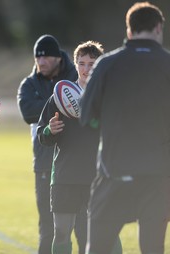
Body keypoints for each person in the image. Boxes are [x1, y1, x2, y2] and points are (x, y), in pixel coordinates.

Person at [80, 2, 170, 253]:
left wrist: (108, 124)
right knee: (153, 248)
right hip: (158, 178)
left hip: (114, 173)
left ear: (129, 31)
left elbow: (87, 117)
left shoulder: (107, 65)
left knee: (97, 248)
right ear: (158, 28)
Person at [37, 41, 124, 254]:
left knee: (108, 230)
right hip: (66, 174)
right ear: (75, 64)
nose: (86, 69)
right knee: (61, 230)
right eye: (81, 63)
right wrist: (50, 130)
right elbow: (42, 135)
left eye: (92, 64)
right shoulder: (60, 96)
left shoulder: (110, 96)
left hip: (100, 174)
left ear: (100, 65)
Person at [17, 34, 81, 253]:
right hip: (45, 164)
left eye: (45, 57)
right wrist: (63, 101)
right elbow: (27, 112)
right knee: (49, 228)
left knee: (84, 228)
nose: (41, 62)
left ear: (58, 58)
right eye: (37, 58)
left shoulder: (77, 75)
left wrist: (51, 106)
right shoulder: (29, 84)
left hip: (78, 163)